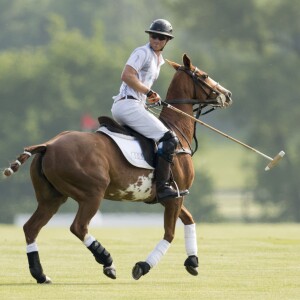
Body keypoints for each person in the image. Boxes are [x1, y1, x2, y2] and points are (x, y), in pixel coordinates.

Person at [111, 19, 188, 201]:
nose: (156, 40)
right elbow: (127, 76)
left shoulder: (157, 60)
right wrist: (149, 91)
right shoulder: (142, 52)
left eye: (161, 38)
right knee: (169, 138)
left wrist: (147, 98)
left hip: (134, 104)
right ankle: (162, 187)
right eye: (154, 36)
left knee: (156, 139)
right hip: (128, 105)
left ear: (167, 41)